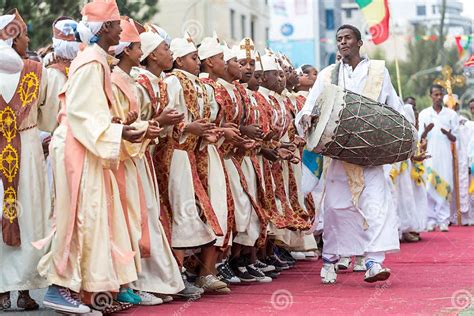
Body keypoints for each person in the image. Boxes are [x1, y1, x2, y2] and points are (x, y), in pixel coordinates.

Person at [42, 1, 143, 313]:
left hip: (89, 146)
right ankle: (58, 287)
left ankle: (89, 291)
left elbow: (94, 114)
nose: (119, 29)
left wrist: (120, 130)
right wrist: (118, 134)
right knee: (78, 217)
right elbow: (81, 114)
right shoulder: (91, 62)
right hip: (78, 148)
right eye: (115, 24)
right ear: (105, 30)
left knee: (95, 217)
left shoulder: (98, 59)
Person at [296, 24, 403, 284]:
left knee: (376, 206)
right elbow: (307, 110)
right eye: (339, 39)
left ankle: (373, 263)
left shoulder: (378, 71)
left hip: (370, 154)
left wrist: (401, 132)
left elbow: (394, 107)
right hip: (339, 156)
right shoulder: (327, 75)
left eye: (347, 38)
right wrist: (307, 118)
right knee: (336, 208)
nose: (342, 43)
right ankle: (331, 259)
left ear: (359, 42)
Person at [0, 9, 54, 311]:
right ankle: (24, 290)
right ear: (14, 37)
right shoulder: (36, 69)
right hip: (30, 149)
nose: (29, 40)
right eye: (25, 35)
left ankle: (2, 291)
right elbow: (48, 113)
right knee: (31, 216)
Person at [418, 85, 458, 232]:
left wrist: (447, 134)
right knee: (428, 186)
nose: (439, 97)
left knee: (445, 186)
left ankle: (443, 220)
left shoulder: (451, 115)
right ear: (430, 96)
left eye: (440, 94)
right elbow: (419, 138)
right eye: (435, 94)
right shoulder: (424, 114)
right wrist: (425, 132)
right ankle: (430, 220)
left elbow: (456, 138)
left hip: (445, 156)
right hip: (429, 156)